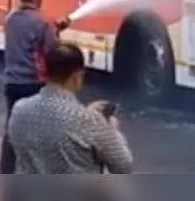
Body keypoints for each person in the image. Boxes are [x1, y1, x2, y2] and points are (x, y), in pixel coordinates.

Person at [7, 42, 134, 174]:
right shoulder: (90, 122)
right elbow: (123, 166)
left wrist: (87, 113)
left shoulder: (19, 110)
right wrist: (111, 129)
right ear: (77, 76)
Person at [0, 0, 58, 174]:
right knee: (37, 133)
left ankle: (5, 173)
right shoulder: (42, 24)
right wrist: (56, 34)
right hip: (32, 84)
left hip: (11, 84)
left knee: (11, 130)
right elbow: (51, 52)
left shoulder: (9, 20)